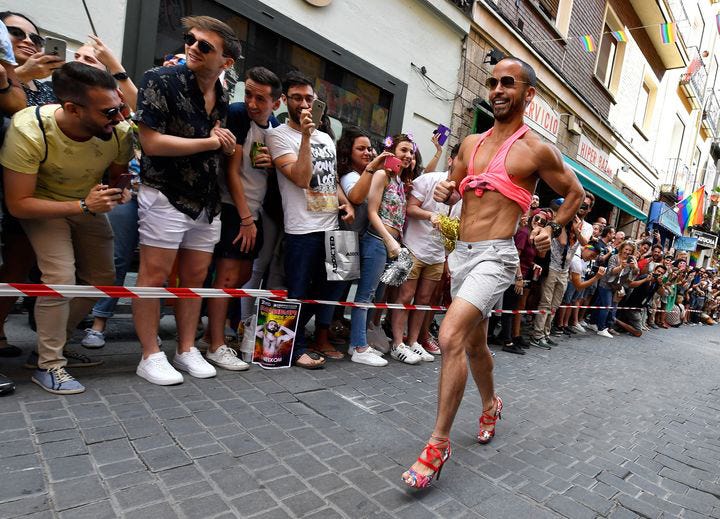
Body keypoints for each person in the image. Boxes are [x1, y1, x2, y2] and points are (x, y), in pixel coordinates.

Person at [401, 57, 584, 488]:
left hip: (497, 256)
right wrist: (446, 189)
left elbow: (574, 193)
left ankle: (437, 443)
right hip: (460, 254)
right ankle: (490, 405)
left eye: (508, 82)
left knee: (449, 336)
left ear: (528, 94)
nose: (498, 89)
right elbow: (452, 184)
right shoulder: (470, 142)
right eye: (493, 82)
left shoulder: (537, 149)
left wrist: (550, 228)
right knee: (476, 345)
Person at [0, 62, 134, 394]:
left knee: (103, 279)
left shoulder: (118, 131)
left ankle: (52, 345)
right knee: (59, 276)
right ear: (72, 108)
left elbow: (115, 175)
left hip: (88, 203)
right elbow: (18, 203)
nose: (118, 118)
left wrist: (119, 189)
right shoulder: (29, 129)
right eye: (108, 112)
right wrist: (84, 205)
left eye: (118, 108)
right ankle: (49, 365)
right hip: (43, 206)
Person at [132, 16, 241, 385]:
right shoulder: (159, 79)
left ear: (226, 62)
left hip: (206, 199)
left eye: (205, 46)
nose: (193, 47)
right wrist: (212, 142)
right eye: (190, 40)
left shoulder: (223, 96)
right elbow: (151, 143)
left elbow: (218, 139)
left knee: (195, 277)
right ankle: (149, 353)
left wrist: (219, 141)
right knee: (155, 275)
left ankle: (186, 348)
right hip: (164, 191)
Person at [265, 71, 354, 369]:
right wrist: (304, 135)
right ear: (284, 101)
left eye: (310, 98)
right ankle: (295, 346)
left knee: (334, 288)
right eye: (298, 98)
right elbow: (302, 177)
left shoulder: (327, 137)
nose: (305, 104)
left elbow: (330, 178)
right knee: (299, 291)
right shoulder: (278, 135)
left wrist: (345, 202)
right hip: (302, 229)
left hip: (332, 226)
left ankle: (308, 338)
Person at [199, 66, 282, 371]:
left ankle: (212, 334)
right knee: (228, 276)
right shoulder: (235, 114)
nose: (251, 102)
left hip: (255, 210)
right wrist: (246, 219)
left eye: (260, 98)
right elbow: (230, 173)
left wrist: (272, 165)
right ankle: (216, 345)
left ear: (277, 102)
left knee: (243, 274)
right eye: (248, 94)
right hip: (233, 208)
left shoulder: (274, 127)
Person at [348, 133, 416, 366]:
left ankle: (359, 341)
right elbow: (372, 212)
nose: (407, 155)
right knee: (365, 294)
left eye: (410, 152)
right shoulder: (381, 174)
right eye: (403, 150)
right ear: (391, 152)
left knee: (376, 295)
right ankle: (359, 347)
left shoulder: (398, 180)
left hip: (390, 246)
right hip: (377, 241)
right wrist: (389, 240)